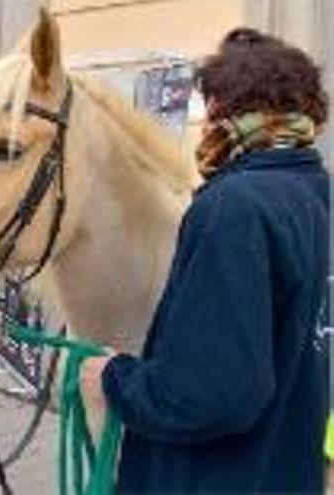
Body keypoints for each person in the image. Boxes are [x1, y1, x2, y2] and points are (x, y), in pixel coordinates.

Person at [79, 29, 330, 493]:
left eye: (207, 106)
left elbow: (217, 394)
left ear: (223, 109)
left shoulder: (235, 207)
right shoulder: (316, 194)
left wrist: (117, 380)